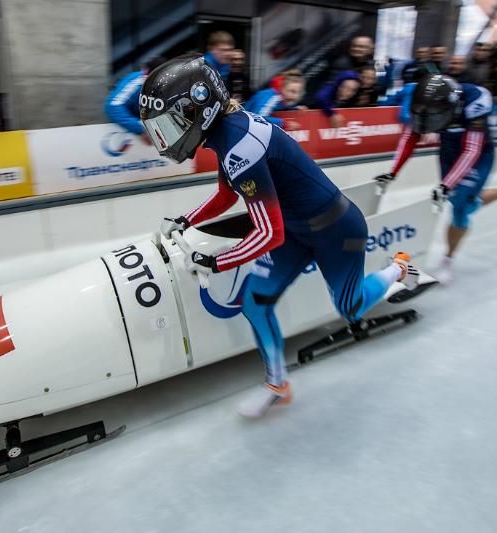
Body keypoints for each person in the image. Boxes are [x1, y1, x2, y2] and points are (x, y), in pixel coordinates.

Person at [140, 55, 419, 418]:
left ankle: (398, 269)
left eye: (173, 123)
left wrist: (216, 261)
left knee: (349, 308)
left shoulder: (239, 144)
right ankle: (278, 385)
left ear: (199, 108)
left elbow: (268, 233)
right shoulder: (228, 135)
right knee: (255, 303)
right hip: (297, 229)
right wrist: (185, 220)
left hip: (337, 230)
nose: (168, 136)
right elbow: (228, 195)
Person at [374, 74, 497, 284]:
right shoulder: (420, 100)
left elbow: (472, 150)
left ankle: (447, 260)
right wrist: (392, 172)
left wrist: (446, 185)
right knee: (463, 200)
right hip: (449, 151)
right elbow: (411, 136)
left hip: (478, 155)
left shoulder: (476, 101)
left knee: (460, 208)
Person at [104, 56, 166, 142]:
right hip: (122, 135)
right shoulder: (137, 81)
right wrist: (140, 130)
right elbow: (113, 106)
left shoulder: (163, 86)